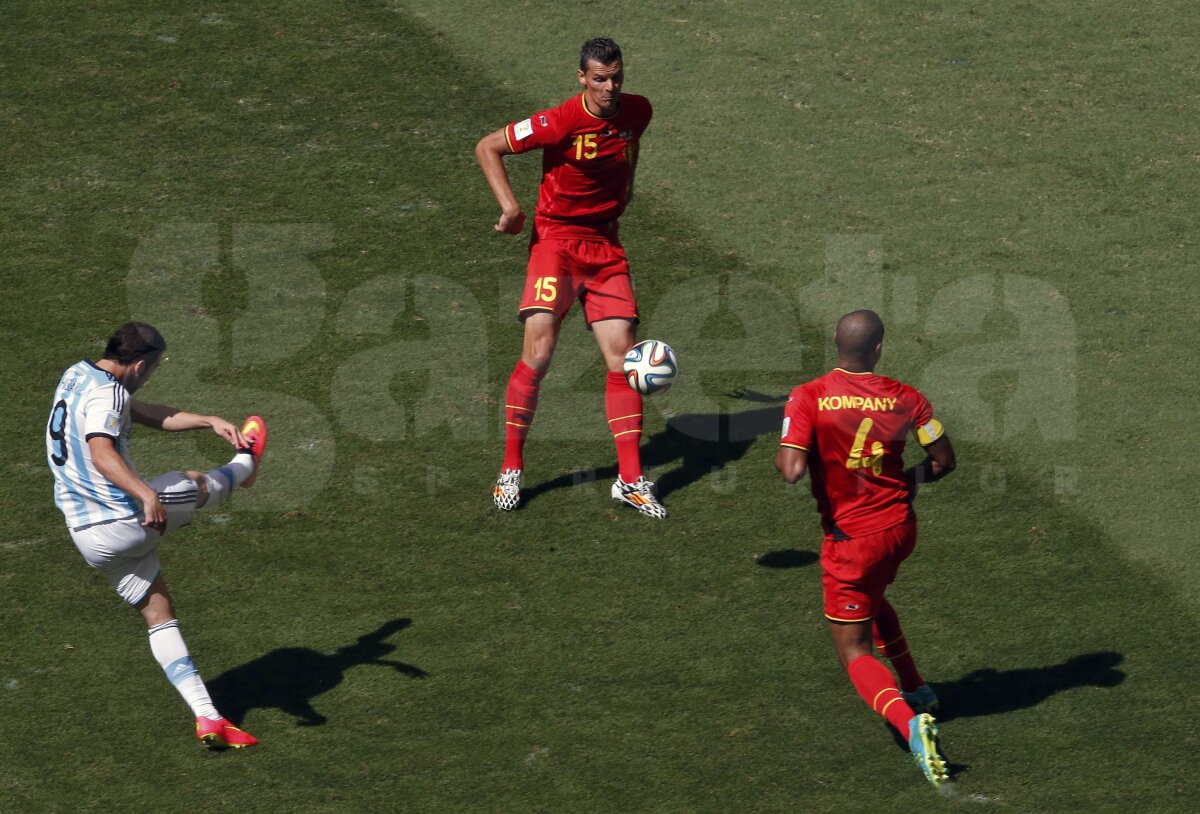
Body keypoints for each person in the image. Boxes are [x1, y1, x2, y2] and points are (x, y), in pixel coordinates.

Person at [46, 321, 268, 749]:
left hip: (87, 538)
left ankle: (208, 717)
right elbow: (101, 451)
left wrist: (206, 420)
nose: (152, 375)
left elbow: (143, 412)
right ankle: (245, 467)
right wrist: (146, 494)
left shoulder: (78, 375)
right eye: (154, 368)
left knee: (158, 612)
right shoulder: (109, 393)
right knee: (191, 482)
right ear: (141, 364)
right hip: (124, 522)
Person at [475, 36, 665, 519]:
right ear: (582, 77)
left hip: (605, 245)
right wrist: (511, 207)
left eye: (616, 76)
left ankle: (629, 479)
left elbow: (630, 145)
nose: (609, 87)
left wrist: (628, 189)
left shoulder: (637, 110)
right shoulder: (559, 119)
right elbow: (488, 146)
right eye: (599, 78)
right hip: (556, 242)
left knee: (622, 358)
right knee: (538, 354)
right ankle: (511, 468)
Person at [775, 310, 957, 788]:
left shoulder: (809, 396)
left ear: (834, 341)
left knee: (853, 649)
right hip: (899, 529)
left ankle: (908, 724)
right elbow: (943, 461)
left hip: (852, 542)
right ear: (878, 349)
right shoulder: (907, 397)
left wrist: (793, 435)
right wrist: (907, 481)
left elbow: (791, 470)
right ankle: (917, 687)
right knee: (873, 598)